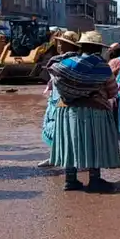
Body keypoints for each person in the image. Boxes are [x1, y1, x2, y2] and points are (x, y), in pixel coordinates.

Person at [48, 31, 120, 192]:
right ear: (98, 49)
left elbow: (55, 85)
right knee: (94, 143)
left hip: (66, 111)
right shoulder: (101, 66)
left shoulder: (64, 63)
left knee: (70, 143)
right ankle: (94, 180)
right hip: (94, 111)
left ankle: (70, 180)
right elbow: (112, 90)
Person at [38, 30, 80, 168]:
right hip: (56, 99)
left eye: (63, 43)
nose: (60, 46)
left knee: (65, 129)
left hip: (65, 100)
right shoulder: (57, 60)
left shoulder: (72, 62)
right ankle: (56, 156)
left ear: (72, 46)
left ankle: (69, 162)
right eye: (59, 43)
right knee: (55, 126)